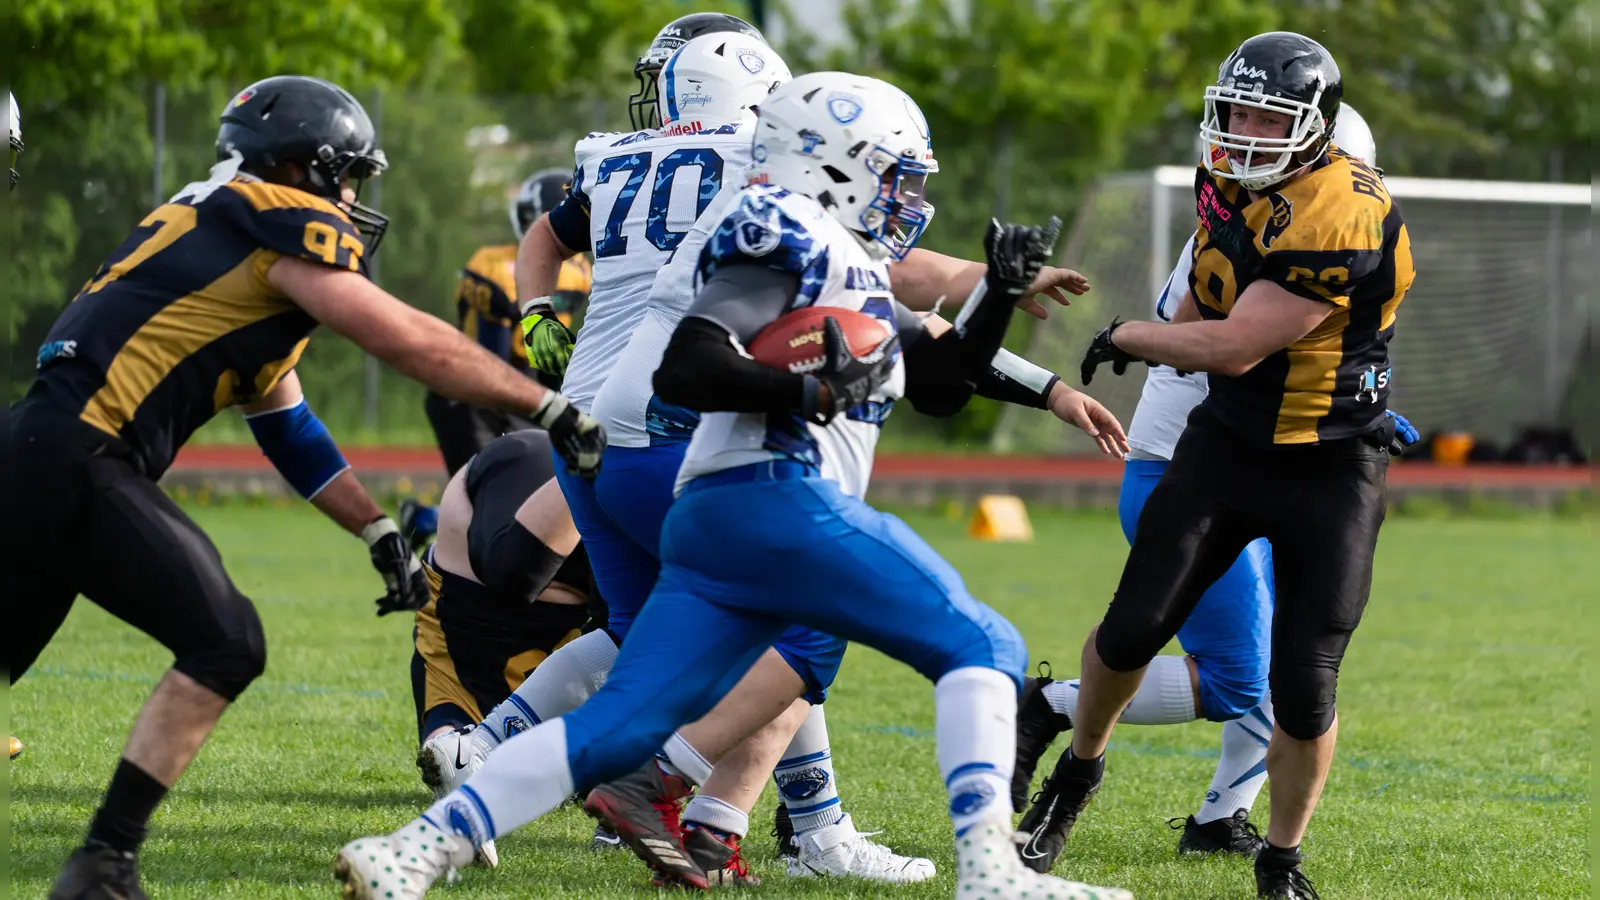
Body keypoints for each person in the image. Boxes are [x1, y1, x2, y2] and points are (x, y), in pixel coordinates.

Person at [334, 70, 1132, 900]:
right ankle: (989, 871)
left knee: (625, 719)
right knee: (986, 645)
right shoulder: (775, 223)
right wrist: (811, 393)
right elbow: (690, 363)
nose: (911, 198)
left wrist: (996, 296)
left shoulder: (833, 245)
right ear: (835, 162)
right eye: (897, 174)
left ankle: (414, 852)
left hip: (719, 515)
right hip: (776, 499)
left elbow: (937, 381)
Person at [3, 74, 605, 900]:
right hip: (83, 452)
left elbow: (287, 424)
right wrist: (544, 403)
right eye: (348, 174)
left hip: (31, 446)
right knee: (228, 642)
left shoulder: (211, 232)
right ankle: (103, 863)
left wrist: (375, 529)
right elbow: (406, 342)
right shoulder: (275, 218)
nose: (353, 195)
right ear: (305, 167)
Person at [1021, 32, 1415, 900]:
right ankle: (1072, 780)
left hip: (1329, 463)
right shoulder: (1231, 179)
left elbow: (1233, 346)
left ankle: (1279, 858)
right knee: (1131, 630)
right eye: (1235, 111)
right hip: (1226, 446)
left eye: (1266, 116)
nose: (1242, 130)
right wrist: (1175, 328)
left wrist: (1127, 335)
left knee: (1304, 680)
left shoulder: (1344, 205)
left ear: (1318, 129)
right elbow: (1207, 293)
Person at [400, 169, 593, 550]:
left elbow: (550, 353)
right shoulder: (495, 267)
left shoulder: (580, 271)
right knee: (487, 495)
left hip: (524, 385)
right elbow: (492, 365)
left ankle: (425, 520)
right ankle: (444, 571)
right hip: (471, 389)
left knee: (522, 494)